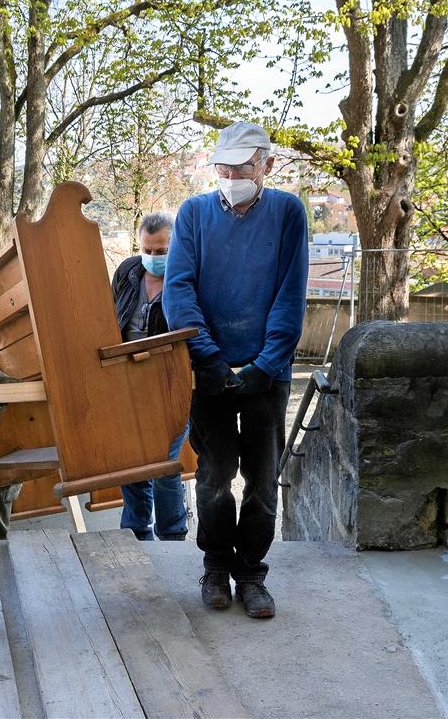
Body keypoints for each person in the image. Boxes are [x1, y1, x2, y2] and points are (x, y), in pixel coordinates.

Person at [164, 121, 308, 619]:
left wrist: (267, 363)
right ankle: (214, 565)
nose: (230, 174)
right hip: (210, 369)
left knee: (264, 479)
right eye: (223, 166)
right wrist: (209, 356)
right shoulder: (195, 213)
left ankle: (250, 571)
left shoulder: (287, 212)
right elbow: (178, 290)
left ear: (266, 165)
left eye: (242, 166)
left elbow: (291, 293)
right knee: (215, 474)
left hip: (268, 374)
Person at [111, 212, 188, 542]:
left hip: (170, 382)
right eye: (149, 250)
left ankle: (172, 536)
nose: (155, 258)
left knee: (164, 462)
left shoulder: (185, 275)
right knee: (131, 459)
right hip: (128, 383)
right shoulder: (128, 272)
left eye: (162, 250)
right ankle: (135, 534)